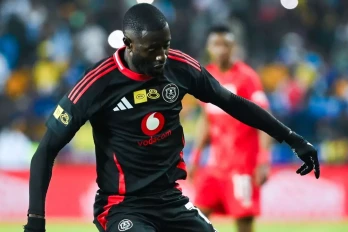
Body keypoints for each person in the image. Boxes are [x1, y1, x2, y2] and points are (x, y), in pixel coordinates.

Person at [24, 3, 320, 232]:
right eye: (152, 49)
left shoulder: (179, 67)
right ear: (127, 44)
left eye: (165, 46)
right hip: (122, 206)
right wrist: (35, 220)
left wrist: (293, 139)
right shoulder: (97, 84)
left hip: (171, 200)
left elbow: (236, 105)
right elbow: (46, 150)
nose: (161, 57)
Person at [188, 25, 272, 232]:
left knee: (244, 225)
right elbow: (206, 119)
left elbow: (265, 120)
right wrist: (195, 157)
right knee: (195, 220)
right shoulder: (206, 77)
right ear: (208, 47)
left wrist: (263, 160)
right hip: (215, 166)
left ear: (233, 46)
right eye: (216, 44)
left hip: (242, 167)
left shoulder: (247, 78)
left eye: (225, 44)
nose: (221, 50)